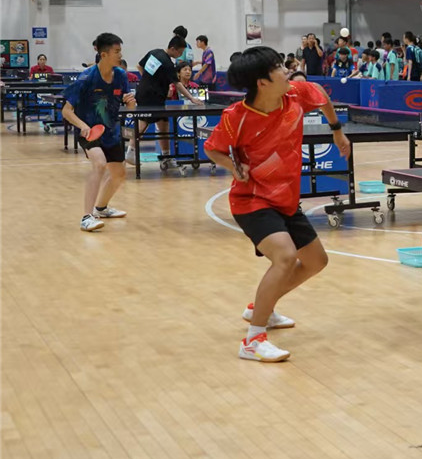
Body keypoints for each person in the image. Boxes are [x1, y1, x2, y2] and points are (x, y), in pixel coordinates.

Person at [203, 47, 350, 362]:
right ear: (262, 83)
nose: (288, 71)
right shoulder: (236, 117)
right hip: (251, 199)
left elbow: (321, 94)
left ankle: (261, 308)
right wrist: (233, 167)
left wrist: (337, 131)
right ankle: (252, 341)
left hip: (286, 199)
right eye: (280, 68)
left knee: (316, 262)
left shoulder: (295, 95)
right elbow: (212, 149)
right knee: (285, 257)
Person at [61, 33, 136, 231]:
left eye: (120, 51)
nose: (120, 55)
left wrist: (131, 103)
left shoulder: (121, 76)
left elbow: (129, 107)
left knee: (119, 174)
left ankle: (101, 208)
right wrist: (83, 126)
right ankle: (86, 217)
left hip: (111, 131)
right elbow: (66, 111)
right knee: (100, 164)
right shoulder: (86, 78)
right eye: (116, 51)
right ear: (104, 54)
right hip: (89, 131)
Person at [127, 35, 202, 166]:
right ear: (173, 48)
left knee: (163, 123)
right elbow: (177, 84)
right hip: (151, 97)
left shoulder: (154, 52)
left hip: (147, 93)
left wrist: (148, 81)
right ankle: (130, 151)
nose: (180, 55)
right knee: (143, 122)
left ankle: (166, 156)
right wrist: (191, 98)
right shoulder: (168, 63)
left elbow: (139, 66)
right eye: (179, 52)